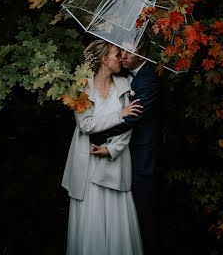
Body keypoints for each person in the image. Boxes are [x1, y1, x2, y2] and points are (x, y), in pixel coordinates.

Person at [62, 39, 144, 255]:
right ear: (104, 60)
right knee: (92, 219)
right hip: (87, 163)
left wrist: (112, 150)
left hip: (114, 163)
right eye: (117, 54)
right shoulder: (80, 87)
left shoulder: (125, 86)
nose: (121, 58)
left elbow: (129, 124)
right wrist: (118, 114)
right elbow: (86, 124)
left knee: (116, 220)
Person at [90, 40, 161, 255]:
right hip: (125, 155)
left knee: (144, 214)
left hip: (142, 156)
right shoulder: (123, 78)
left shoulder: (148, 79)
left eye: (129, 51)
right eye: (121, 50)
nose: (122, 55)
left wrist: (94, 133)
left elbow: (132, 119)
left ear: (143, 54)